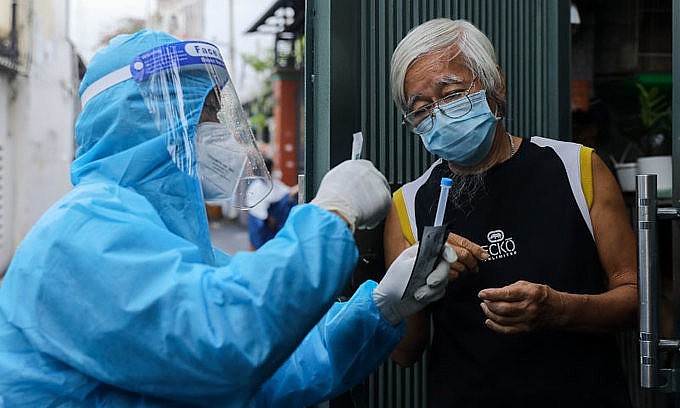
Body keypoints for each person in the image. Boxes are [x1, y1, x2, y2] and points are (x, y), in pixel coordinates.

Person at [0, 30, 458, 406]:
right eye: (209, 113)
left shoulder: (167, 238)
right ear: (151, 121)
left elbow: (276, 373)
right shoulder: (82, 232)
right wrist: (331, 214)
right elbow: (227, 343)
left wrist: (380, 309)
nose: (224, 131)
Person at [384, 18, 638, 407]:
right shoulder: (409, 203)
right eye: (421, 110)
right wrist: (413, 282)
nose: (440, 115)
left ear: (495, 85)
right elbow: (404, 353)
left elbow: (635, 300)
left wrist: (559, 309)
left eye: (451, 94)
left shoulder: (578, 169)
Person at [246, 156, 298, 250]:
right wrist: (268, 218)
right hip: (262, 222)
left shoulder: (270, 182)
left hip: (268, 219)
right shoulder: (258, 185)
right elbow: (258, 208)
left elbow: (286, 192)